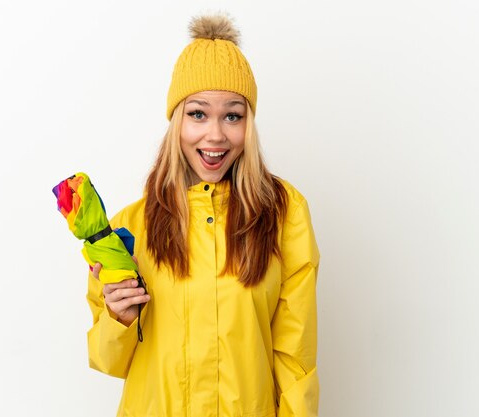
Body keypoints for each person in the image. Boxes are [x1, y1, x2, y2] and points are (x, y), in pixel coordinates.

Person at [86, 14, 320, 417]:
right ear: (176, 121)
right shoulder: (127, 229)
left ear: (249, 123)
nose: (215, 135)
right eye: (197, 114)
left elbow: (294, 356)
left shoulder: (284, 213)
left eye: (233, 115)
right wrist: (118, 318)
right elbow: (109, 362)